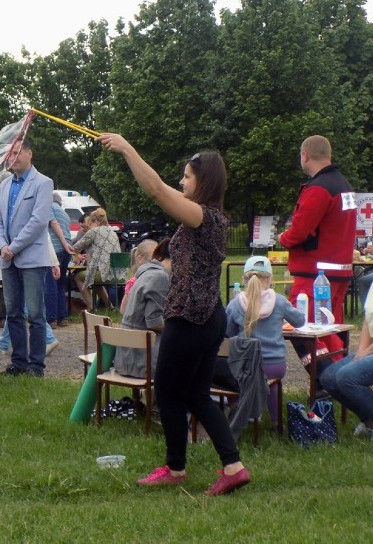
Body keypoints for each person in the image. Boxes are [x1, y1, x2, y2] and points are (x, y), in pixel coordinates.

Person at [99, 132, 249, 496]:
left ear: (204, 181)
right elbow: (164, 188)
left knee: (167, 390)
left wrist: (127, 147)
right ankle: (232, 466)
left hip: (191, 319)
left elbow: (156, 190)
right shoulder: (207, 217)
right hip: (207, 317)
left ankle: (177, 468)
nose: (181, 182)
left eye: (187, 176)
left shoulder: (203, 217)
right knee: (196, 394)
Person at [320, 231, 373, 441]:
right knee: (328, 378)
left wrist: (368, 352)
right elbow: (368, 320)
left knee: (346, 376)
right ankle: (369, 421)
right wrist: (361, 352)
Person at [279, 135, 356, 367]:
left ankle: (330, 382)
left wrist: (283, 238)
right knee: (330, 331)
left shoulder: (318, 189)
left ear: (305, 156)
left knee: (304, 331)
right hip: (340, 271)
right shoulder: (345, 187)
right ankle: (342, 379)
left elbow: (299, 231)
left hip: (315, 275)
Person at [0, 139, 53, 377]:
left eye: (17, 153)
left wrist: (13, 247)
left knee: (36, 314)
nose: (13, 158)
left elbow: (38, 222)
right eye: (10, 154)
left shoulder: (43, 183)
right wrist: (2, 245)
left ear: (29, 154)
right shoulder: (5, 185)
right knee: (13, 313)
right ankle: (18, 363)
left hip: (31, 259)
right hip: (8, 258)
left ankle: (36, 367)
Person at [218, 256, 305, 424]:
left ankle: (248, 415)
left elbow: (227, 333)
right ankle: (275, 422)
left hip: (248, 366)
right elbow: (300, 321)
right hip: (276, 365)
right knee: (272, 384)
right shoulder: (279, 301)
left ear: (244, 279)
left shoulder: (236, 304)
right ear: (270, 279)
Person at [0, 233, 62, 355]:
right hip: (27, 261)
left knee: (22, 307)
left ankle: (49, 338)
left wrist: (54, 262)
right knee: (21, 307)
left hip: (23, 262)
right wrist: (54, 262)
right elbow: (46, 238)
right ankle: (3, 342)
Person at [114, 238, 170, 379]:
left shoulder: (145, 274)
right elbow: (154, 322)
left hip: (125, 358)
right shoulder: (160, 276)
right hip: (142, 361)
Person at [72, 209, 125, 310]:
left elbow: (74, 248)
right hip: (119, 274)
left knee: (78, 277)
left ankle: (91, 307)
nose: (88, 227)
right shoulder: (112, 231)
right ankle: (110, 307)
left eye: (89, 224)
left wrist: (77, 256)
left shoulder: (94, 231)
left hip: (105, 273)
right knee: (94, 280)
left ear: (95, 222)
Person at [46, 192, 75, 327]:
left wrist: (62, 243)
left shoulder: (48, 207)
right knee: (60, 284)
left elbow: (53, 223)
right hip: (66, 251)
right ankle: (62, 317)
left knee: (50, 285)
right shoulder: (65, 213)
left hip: (56, 249)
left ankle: (51, 319)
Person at [118, 239, 158, 319]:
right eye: (152, 261)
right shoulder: (134, 282)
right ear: (140, 259)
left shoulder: (158, 279)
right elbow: (123, 309)